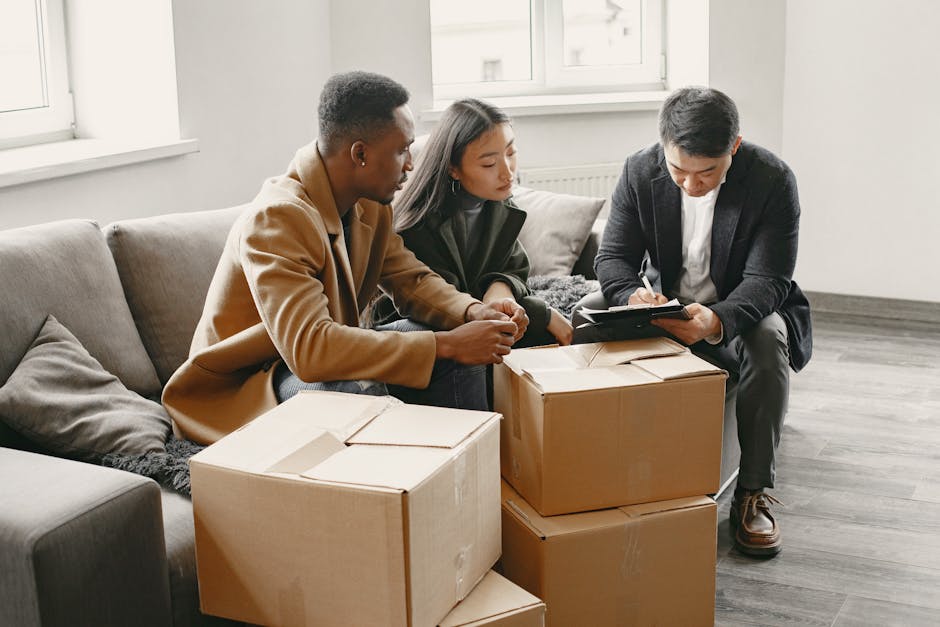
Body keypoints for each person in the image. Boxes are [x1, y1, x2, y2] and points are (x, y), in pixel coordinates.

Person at [162, 71, 529, 445]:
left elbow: (411, 280)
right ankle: (397, 491)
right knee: (354, 390)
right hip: (248, 385)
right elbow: (311, 350)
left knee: (449, 349)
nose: (411, 165)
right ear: (360, 154)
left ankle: (470, 469)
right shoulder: (276, 219)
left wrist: (472, 312)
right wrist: (447, 343)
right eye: (402, 150)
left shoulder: (370, 202)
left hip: (318, 361)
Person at [581, 86, 812, 557]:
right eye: (678, 170)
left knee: (770, 340)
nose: (690, 184)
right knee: (587, 312)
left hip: (740, 310)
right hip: (662, 304)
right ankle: (595, 470)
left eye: (706, 172)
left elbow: (769, 280)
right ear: (663, 146)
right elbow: (613, 257)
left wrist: (717, 321)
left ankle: (750, 493)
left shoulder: (772, 179)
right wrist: (632, 295)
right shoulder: (639, 169)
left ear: (735, 148)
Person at [373, 98, 573, 352]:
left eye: (511, 153)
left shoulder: (499, 206)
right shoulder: (417, 226)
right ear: (453, 169)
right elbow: (448, 308)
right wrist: (542, 313)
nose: (507, 172)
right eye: (489, 163)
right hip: (417, 335)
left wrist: (500, 289)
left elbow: (515, 269)